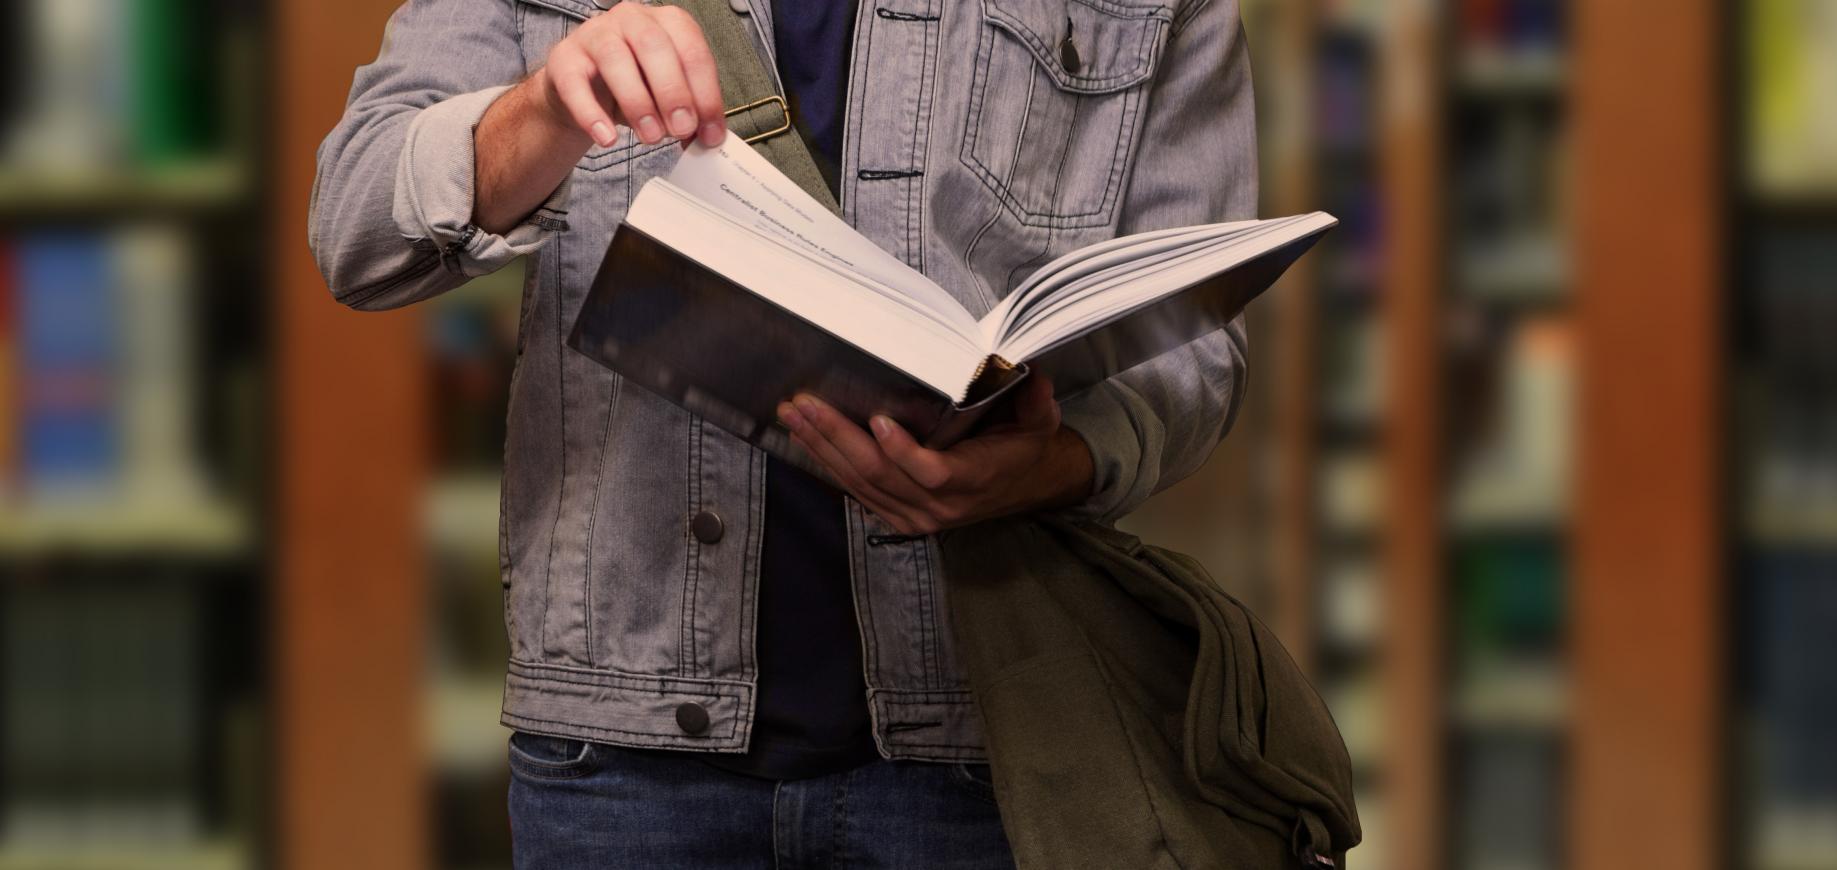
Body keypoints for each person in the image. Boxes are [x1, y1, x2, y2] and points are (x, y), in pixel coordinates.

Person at [310, 0, 1255, 866]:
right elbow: (356, 227)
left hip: (988, 749)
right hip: (622, 766)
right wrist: (548, 108)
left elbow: (1197, 345)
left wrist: (1059, 461)